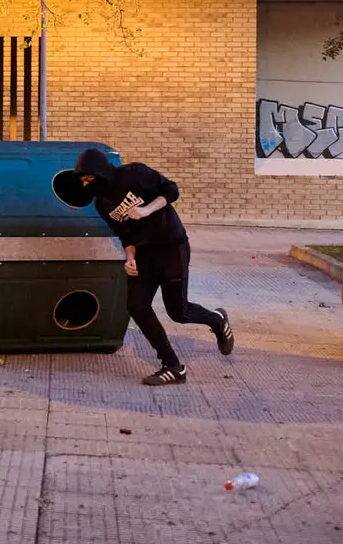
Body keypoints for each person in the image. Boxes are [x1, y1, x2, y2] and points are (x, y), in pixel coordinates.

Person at [74, 147, 234, 386]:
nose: (86, 185)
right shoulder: (101, 203)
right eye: (83, 181)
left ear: (99, 172)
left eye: (88, 179)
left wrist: (146, 209)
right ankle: (173, 366)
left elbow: (171, 190)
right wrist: (129, 257)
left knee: (178, 312)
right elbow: (122, 233)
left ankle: (217, 320)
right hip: (144, 255)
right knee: (136, 306)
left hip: (171, 246)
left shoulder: (134, 174)